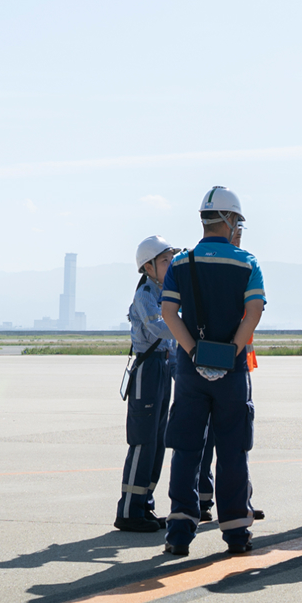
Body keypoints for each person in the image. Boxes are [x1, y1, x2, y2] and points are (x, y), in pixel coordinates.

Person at [161, 186, 265, 557]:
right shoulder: (247, 263)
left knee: (186, 449)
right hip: (233, 371)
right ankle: (236, 532)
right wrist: (230, 352)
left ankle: (179, 531)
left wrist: (193, 352)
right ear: (230, 220)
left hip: (189, 371)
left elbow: (169, 313)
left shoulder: (179, 263)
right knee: (233, 450)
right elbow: (253, 313)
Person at [115, 235, 177, 532]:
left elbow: (173, 342)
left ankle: (144, 505)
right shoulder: (145, 295)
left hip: (163, 367)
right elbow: (160, 328)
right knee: (142, 440)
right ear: (148, 266)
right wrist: (187, 325)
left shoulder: (167, 291)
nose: (171, 264)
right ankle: (128, 511)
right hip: (148, 369)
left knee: (158, 440)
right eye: (165, 260)